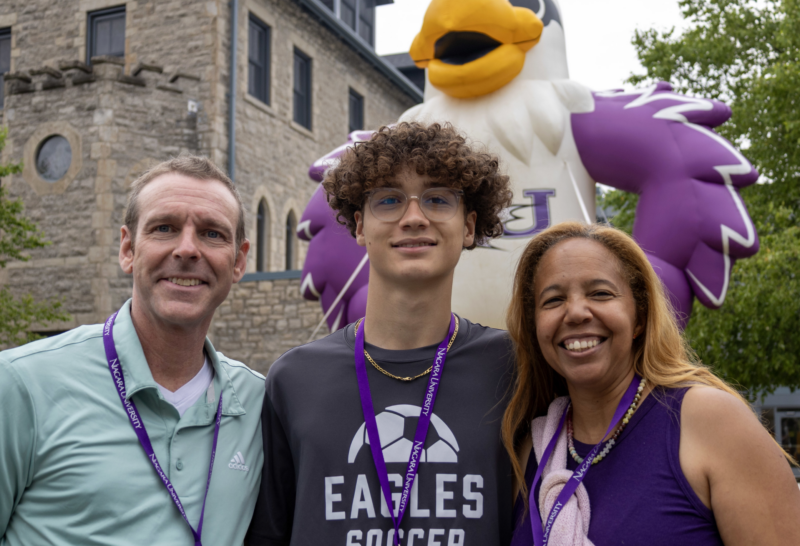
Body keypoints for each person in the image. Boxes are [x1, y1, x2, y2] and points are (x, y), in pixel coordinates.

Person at [246, 122, 516, 546]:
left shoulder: (514, 368)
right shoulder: (294, 379)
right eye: (388, 200)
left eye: (438, 199)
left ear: (468, 226)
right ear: (359, 226)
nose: (413, 217)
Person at [0, 156, 265, 545]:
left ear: (239, 261)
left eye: (212, 234)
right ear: (128, 249)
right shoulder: (21, 384)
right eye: (164, 228)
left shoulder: (260, 404)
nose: (187, 249)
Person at [503, 221, 800, 545]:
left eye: (600, 293)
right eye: (553, 300)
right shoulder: (533, 450)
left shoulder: (710, 420)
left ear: (640, 317)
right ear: (536, 326)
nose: (575, 313)